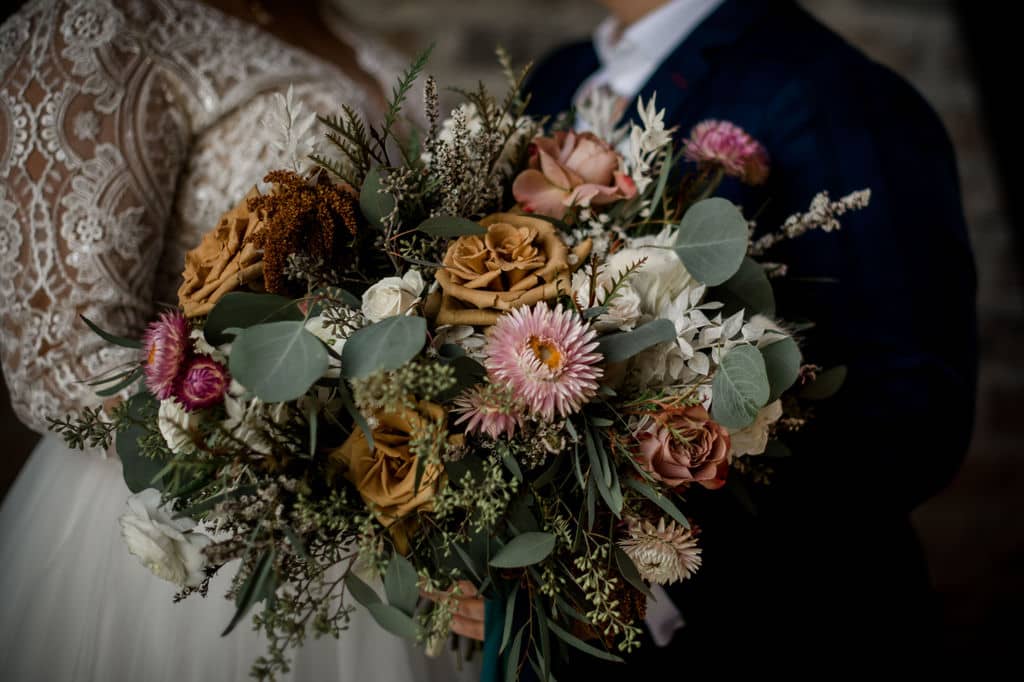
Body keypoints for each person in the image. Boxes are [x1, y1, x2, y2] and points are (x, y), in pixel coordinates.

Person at [0, 1, 477, 680]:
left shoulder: (339, 28)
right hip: (202, 534)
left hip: (402, 499)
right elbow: (59, 361)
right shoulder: (100, 26)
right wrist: (326, 466)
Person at [518, 0, 978, 671]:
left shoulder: (833, 95)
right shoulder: (562, 79)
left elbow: (910, 417)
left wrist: (635, 571)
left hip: (767, 637)